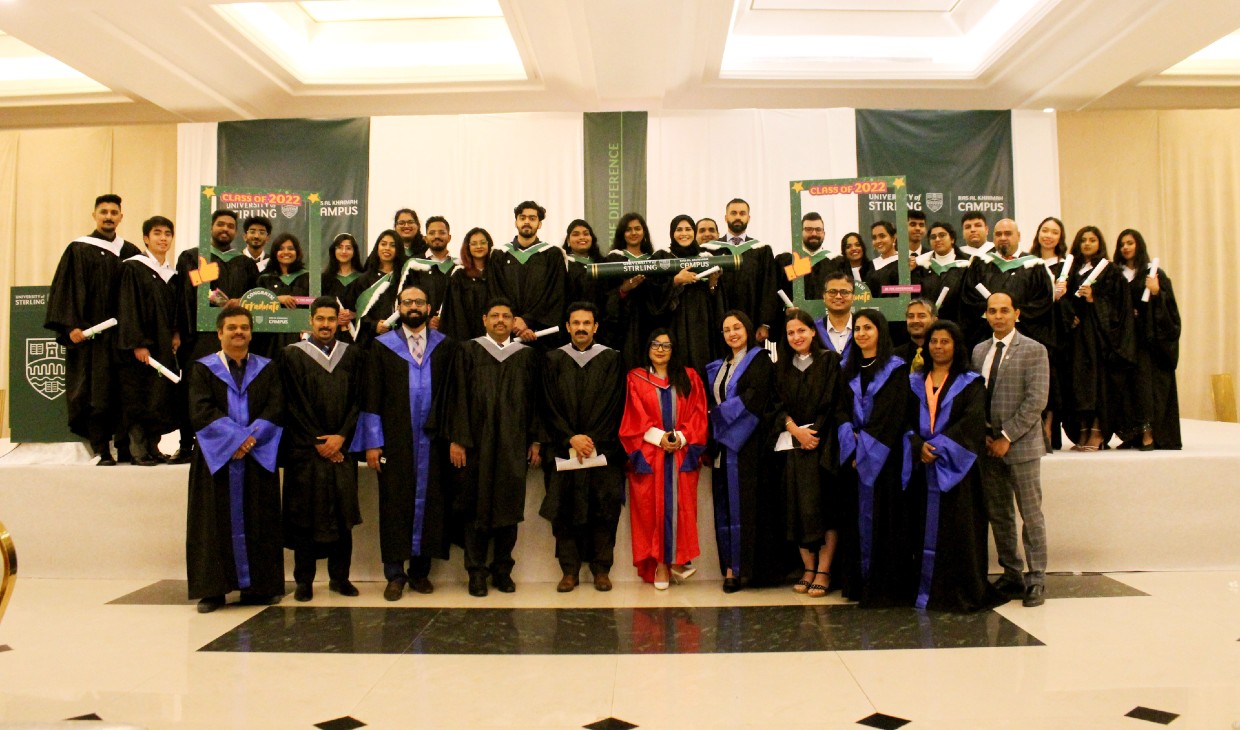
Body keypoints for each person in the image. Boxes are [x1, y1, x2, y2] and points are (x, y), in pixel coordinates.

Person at [352, 285, 459, 600]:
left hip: (434, 441)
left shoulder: (446, 347)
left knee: (432, 503)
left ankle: (420, 573)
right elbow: (371, 395)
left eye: (419, 302)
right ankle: (395, 574)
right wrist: (373, 443)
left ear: (429, 308)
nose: (413, 306)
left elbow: (453, 396)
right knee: (394, 504)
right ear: (398, 307)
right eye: (407, 302)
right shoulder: (382, 347)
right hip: (394, 440)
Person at [186, 306, 283, 613]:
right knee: (212, 523)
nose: (239, 332)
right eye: (232, 328)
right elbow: (200, 410)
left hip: (256, 455)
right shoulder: (203, 369)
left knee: (260, 520)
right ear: (220, 333)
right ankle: (212, 591)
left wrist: (250, 438)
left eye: (244, 327)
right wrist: (236, 439)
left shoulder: (267, 368)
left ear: (251, 333)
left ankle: (259, 587)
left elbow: (276, 407)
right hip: (216, 458)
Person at [445, 297, 543, 597]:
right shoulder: (467, 351)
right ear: (484, 320)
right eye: (495, 316)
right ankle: (476, 571)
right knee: (474, 507)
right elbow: (457, 396)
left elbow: (535, 401)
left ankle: (502, 570)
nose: (501, 320)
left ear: (514, 322)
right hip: (475, 444)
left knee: (508, 508)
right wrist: (458, 439)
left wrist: (535, 440)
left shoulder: (526, 356)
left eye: (506, 316)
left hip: (513, 444)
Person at [907, 320, 1006, 612]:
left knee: (958, 532)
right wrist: (917, 445)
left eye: (945, 341)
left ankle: (960, 591)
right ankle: (926, 589)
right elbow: (904, 420)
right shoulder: (914, 381)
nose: (938, 346)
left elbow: (972, 423)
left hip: (958, 472)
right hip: (922, 470)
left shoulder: (971, 382)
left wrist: (938, 447)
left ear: (956, 345)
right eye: (933, 341)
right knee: (921, 530)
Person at [44, 194, 143, 464]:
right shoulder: (79, 249)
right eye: (104, 212)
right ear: (94, 215)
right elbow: (66, 289)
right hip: (93, 336)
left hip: (124, 336)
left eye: (114, 212)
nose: (109, 216)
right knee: (95, 393)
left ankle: (124, 447)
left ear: (121, 217)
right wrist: (71, 326)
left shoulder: (131, 252)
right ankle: (101, 449)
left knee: (124, 392)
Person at [280, 298, 364, 602]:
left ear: (337, 323)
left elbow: (358, 401)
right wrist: (317, 441)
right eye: (320, 319)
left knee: (342, 516)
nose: (326, 325)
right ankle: (304, 580)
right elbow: (291, 404)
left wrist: (341, 437)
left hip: (341, 449)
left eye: (331, 319)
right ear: (310, 321)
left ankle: (340, 578)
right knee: (304, 516)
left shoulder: (352, 355)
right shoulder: (292, 355)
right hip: (306, 452)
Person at [540, 302, 626, 592]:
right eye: (575, 323)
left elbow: (615, 404)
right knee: (564, 511)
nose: (581, 328)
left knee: (604, 510)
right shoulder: (553, 359)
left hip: (602, 450)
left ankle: (601, 569)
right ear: (567, 327)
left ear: (595, 327)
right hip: (563, 450)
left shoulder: (611, 359)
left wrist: (591, 440)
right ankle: (569, 571)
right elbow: (547, 405)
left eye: (586, 323)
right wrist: (570, 438)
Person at [971, 292, 1050, 607]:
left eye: (1004, 310)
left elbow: (1036, 400)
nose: (998, 316)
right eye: (992, 311)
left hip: (1021, 446)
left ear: (1017, 313)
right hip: (989, 447)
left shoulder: (1034, 350)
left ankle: (1037, 577)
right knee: (999, 514)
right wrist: (985, 435)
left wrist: (1007, 436)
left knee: (1030, 514)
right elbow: (975, 397)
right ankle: (1012, 573)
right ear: (986, 315)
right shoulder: (979, 351)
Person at [835, 309, 914, 608]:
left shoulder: (896, 369)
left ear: (880, 331)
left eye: (868, 328)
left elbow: (892, 415)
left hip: (885, 459)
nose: (862, 333)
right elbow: (839, 409)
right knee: (854, 519)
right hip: (854, 456)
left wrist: (865, 451)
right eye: (857, 329)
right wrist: (850, 441)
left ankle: (883, 585)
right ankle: (858, 583)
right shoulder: (847, 368)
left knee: (885, 520)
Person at [620, 329, 708, 589]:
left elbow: (699, 414)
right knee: (651, 513)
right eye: (655, 344)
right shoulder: (636, 378)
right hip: (650, 454)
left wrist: (680, 437)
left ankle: (677, 560)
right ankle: (660, 565)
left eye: (666, 346)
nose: (660, 350)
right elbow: (632, 416)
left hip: (681, 454)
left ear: (674, 349)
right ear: (647, 348)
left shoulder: (689, 377)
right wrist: (660, 438)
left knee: (681, 509)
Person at [706, 310, 788, 592]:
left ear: (748, 329)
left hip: (750, 446)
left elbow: (754, 399)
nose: (732, 333)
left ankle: (748, 570)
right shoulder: (719, 366)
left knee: (749, 508)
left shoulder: (760, 360)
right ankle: (730, 568)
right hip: (723, 447)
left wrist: (717, 419)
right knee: (725, 508)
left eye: (737, 327)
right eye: (727, 329)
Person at [173, 209, 259, 463]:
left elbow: (254, 298)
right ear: (210, 227)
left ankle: (230, 441)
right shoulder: (194, 257)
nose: (225, 229)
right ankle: (187, 444)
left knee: (230, 390)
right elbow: (188, 294)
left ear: (236, 232)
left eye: (230, 226)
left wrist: (240, 303)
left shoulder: (244, 263)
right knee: (194, 389)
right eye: (221, 224)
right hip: (199, 336)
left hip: (235, 339)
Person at [774, 309, 844, 598]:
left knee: (825, 509)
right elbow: (775, 405)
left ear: (814, 332)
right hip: (793, 446)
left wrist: (813, 434)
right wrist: (795, 431)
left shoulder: (829, 361)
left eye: (801, 330)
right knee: (797, 511)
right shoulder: (781, 367)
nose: (796, 337)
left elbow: (833, 402)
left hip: (822, 446)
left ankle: (824, 570)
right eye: (791, 332)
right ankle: (808, 568)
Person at [1063, 226, 1137, 450]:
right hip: (1078, 337)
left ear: (1099, 243)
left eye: (1092, 240)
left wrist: (1094, 299)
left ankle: (1097, 431)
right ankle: (1082, 430)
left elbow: (1119, 306)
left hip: (1099, 338)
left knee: (1097, 384)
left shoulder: (1109, 271)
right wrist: (1069, 315)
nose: (1087, 243)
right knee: (1078, 384)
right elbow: (1067, 301)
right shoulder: (1072, 269)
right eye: (1083, 240)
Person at [116, 215, 180, 466]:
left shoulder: (171, 274)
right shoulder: (133, 268)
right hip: (141, 347)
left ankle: (153, 447)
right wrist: (138, 343)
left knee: (158, 397)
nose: (163, 238)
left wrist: (175, 333)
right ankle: (137, 450)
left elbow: (175, 310)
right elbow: (128, 307)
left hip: (163, 345)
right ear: (146, 238)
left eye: (167, 234)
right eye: (157, 233)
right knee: (138, 396)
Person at [1115, 228, 1181, 450]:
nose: (1125, 247)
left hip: (1146, 341)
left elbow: (1170, 310)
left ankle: (1149, 433)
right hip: (1124, 341)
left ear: (1139, 245)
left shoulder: (1153, 273)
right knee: (1128, 388)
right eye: (1122, 244)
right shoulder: (1116, 274)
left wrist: (1156, 292)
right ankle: (1132, 433)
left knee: (1145, 386)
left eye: (1130, 243)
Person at [960, 219, 1054, 349]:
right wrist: (992, 314)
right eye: (999, 234)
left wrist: (1012, 315)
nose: (1003, 238)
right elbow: (969, 297)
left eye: (1008, 233)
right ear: (993, 238)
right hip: (985, 334)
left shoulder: (1035, 266)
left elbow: (1042, 302)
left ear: (1018, 236)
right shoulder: (980, 263)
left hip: (1024, 333)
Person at [490, 200, 567, 344]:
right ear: (516, 222)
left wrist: (528, 321)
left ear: (539, 224)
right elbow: (496, 291)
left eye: (532, 218)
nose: (527, 222)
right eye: (522, 218)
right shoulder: (500, 255)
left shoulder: (552, 254)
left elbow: (555, 294)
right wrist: (512, 320)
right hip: (507, 332)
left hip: (541, 334)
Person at [660, 214, 724, 379]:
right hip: (674, 322)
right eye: (679, 230)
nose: (684, 233)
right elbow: (654, 295)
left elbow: (715, 297)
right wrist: (676, 280)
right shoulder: (663, 257)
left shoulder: (706, 258)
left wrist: (713, 283)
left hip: (700, 323)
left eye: (688, 229)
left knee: (700, 365)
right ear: (672, 233)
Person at [710, 199, 779, 344]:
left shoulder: (762, 249)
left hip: (753, 321)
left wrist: (765, 323)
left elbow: (768, 287)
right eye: (733, 213)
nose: (738, 217)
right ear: (726, 217)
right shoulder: (711, 249)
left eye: (742, 213)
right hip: (717, 321)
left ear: (748, 217)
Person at [606, 212, 666, 369]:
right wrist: (624, 289)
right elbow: (605, 295)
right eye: (628, 229)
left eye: (637, 228)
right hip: (623, 326)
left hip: (649, 322)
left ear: (644, 232)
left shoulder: (654, 260)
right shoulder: (614, 259)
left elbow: (661, 294)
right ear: (622, 233)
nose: (633, 233)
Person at [1034, 216, 1072, 450]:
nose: (1048, 236)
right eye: (1045, 230)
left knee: (1053, 380)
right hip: (1033, 327)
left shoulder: (1066, 266)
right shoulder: (1028, 263)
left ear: (1060, 238)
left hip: (1056, 331)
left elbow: (1074, 306)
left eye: (1054, 232)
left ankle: (1049, 428)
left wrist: (1063, 296)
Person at [345, 229, 406, 347]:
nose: (387, 248)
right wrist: (374, 325)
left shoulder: (405, 278)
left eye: (392, 245)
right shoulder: (363, 280)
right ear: (377, 247)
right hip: (370, 342)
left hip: (400, 340)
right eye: (383, 244)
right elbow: (356, 313)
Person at [254, 233, 310, 359]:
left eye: (290, 248)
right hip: (270, 338)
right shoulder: (264, 279)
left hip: (299, 335)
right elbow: (255, 306)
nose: (286, 252)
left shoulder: (308, 278)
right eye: (281, 249)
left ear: (297, 252)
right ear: (275, 253)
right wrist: (276, 299)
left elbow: (315, 305)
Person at [561, 219, 615, 348]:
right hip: (571, 327)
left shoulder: (603, 264)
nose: (582, 237)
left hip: (601, 326)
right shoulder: (563, 264)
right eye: (576, 234)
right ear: (568, 240)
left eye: (586, 234)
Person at [439, 227, 493, 342]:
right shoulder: (459, 275)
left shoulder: (496, 272)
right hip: (467, 335)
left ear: (489, 245)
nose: (479, 246)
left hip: (494, 334)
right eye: (474, 243)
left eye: (483, 242)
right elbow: (455, 311)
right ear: (467, 247)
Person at [403, 215, 458, 327]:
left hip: (453, 329)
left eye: (442, 233)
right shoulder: (414, 265)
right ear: (425, 238)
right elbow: (405, 299)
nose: (437, 236)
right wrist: (427, 321)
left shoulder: (458, 266)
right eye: (432, 233)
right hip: (420, 328)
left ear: (449, 237)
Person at [917, 222, 969, 325]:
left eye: (942, 235)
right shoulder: (922, 267)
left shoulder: (966, 266)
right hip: (928, 324)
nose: (937, 239)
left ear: (952, 239)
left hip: (957, 323)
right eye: (933, 237)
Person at [776, 212, 834, 305]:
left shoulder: (836, 262)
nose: (814, 233)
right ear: (800, 233)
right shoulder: (786, 261)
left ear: (824, 233)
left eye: (818, 230)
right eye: (808, 229)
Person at [320, 233, 362, 343]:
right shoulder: (324, 279)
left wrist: (355, 314)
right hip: (330, 335)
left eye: (348, 248)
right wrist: (333, 317)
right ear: (333, 251)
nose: (344, 251)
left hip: (357, 334)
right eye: (339, 247)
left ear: (354, 251)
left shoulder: (363, 279)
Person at [815, 271, 856, 364]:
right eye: (832, 292)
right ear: (824, 296)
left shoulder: (864, 328)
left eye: (844, 292)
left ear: (853, 297)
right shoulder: (814, 330)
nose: (838, 296)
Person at [894, 298, 937, 370]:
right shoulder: (894, 357)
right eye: (911, 316)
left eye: (922, 316)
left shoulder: (941, 354)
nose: (915, 320)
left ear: (934, 320)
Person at [863, 220, 902, 298]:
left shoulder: (903, 262)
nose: (878, 241)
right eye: (874, 238)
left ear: (893, 238)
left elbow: (913, 289)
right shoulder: (870, 266)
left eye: (882, 236)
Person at [832, 232, 874, 301]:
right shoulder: (839, 272)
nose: (854, 248)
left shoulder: (873, 268)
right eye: (848, 247)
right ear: (844, 251)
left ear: (863, 248)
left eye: (857, 245)